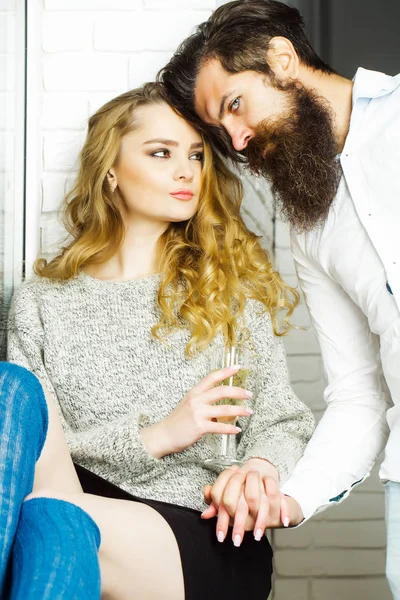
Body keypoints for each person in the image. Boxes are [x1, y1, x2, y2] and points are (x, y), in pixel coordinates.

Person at [3, 82, 314, 599]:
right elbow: (34, 454)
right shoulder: (43, 302)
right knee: (11, 393)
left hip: (197, 525)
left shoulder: (228, 290)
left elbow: (282, 420)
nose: (186, 170)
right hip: (68, 498)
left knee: (49, 522)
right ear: (110, 172)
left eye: (194, 155)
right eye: (160, 153)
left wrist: (259, 469)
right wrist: (157, 436)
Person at [158, 0, 400, 596]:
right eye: (221, 130)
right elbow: (359, 394)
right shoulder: (309, 230)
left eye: (235, 104)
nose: (238, 139)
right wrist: (289, 500)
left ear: (282, 59)